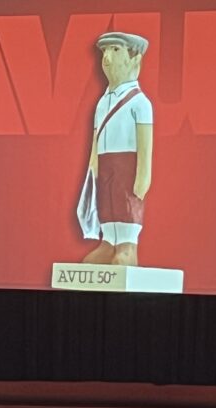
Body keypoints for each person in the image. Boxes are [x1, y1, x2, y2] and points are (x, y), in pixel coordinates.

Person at [81, 32, 153, 267]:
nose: (107, 58)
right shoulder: (102, 102)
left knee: (125, 203)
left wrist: (143, 176)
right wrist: (93, 164)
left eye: (115, 50)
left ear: (134, 57)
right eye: (105, 51)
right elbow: (95, 136)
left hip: (127, 165)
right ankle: (109, 241)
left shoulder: (140, 103)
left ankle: (126, 245)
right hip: (104, 164)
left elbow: (145, 144)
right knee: (106, 202)